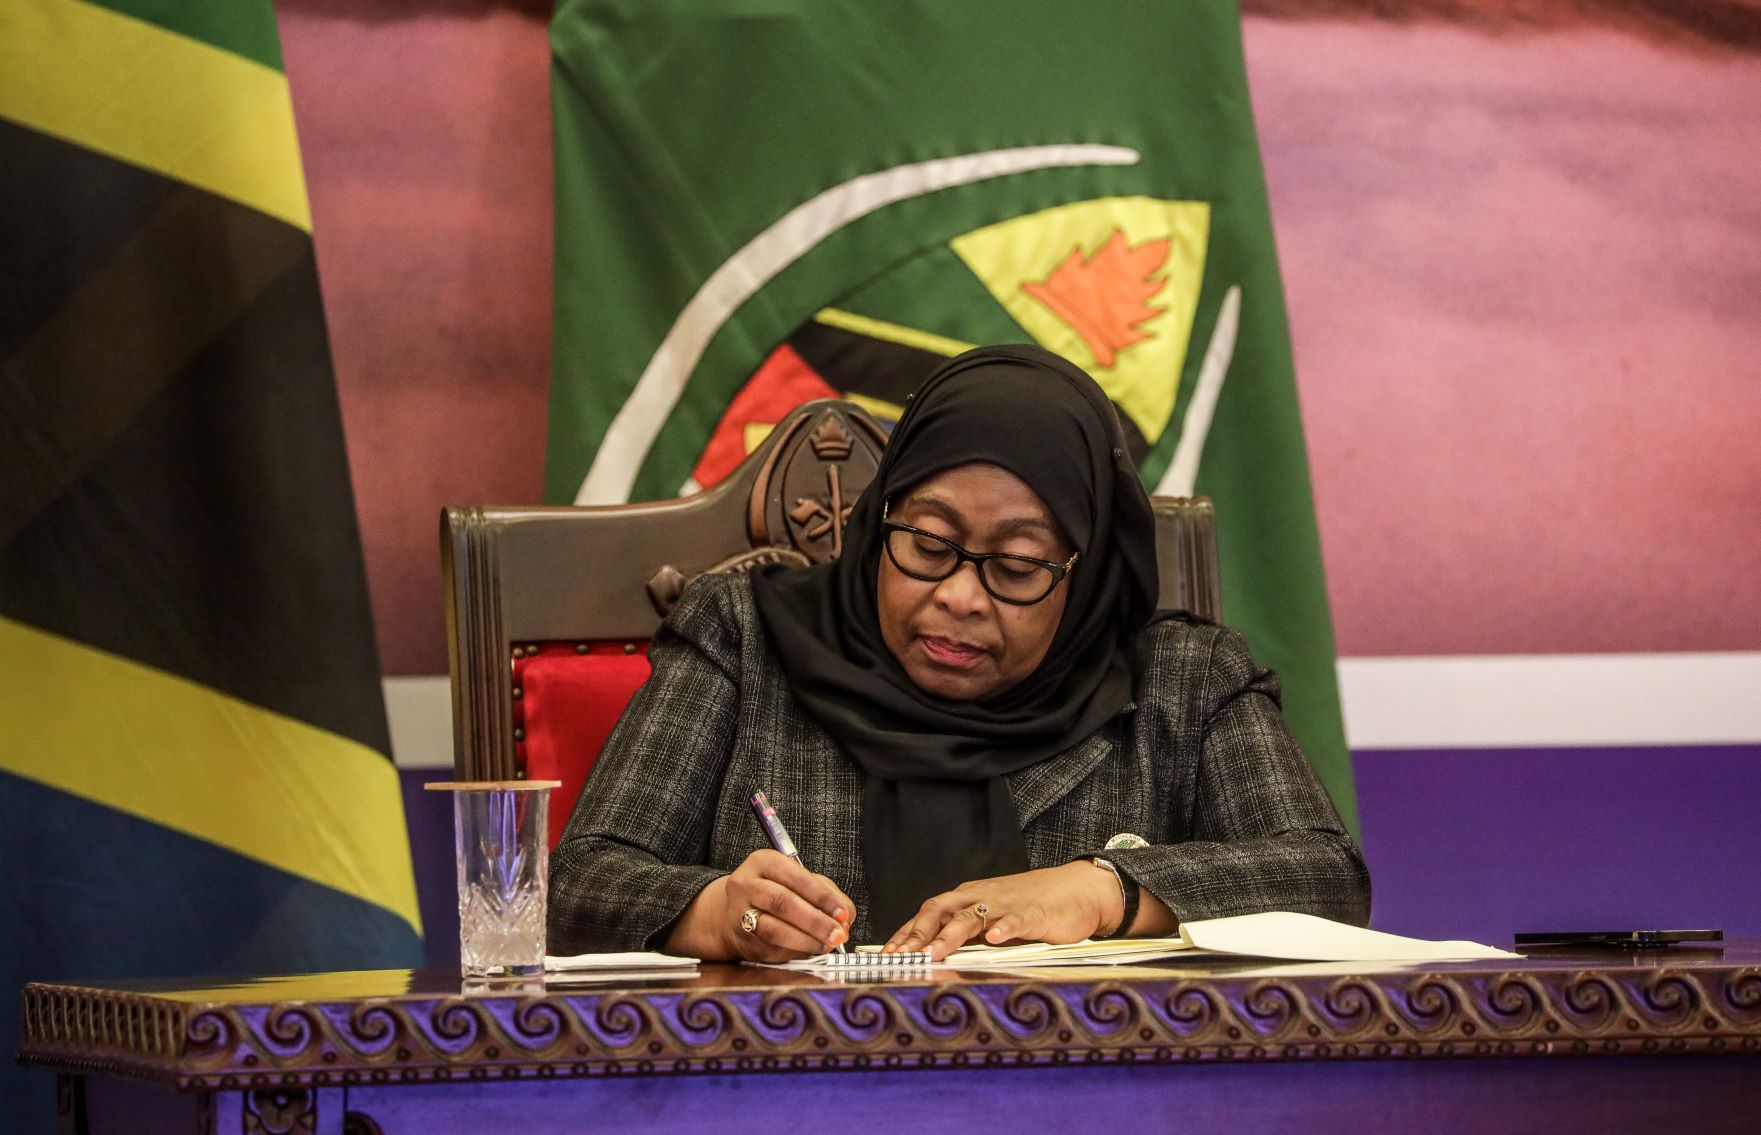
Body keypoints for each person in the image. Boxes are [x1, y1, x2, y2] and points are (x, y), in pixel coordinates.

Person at [547, 344, 1369, 963]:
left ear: (1082, 576)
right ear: (879, 521)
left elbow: (1326, 877)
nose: (960, 596)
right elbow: (580, 884)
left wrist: (1101, 888)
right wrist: (717, 909)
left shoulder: (1183, 681)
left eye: (1016, 566)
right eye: (929, 543)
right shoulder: (744, 638)